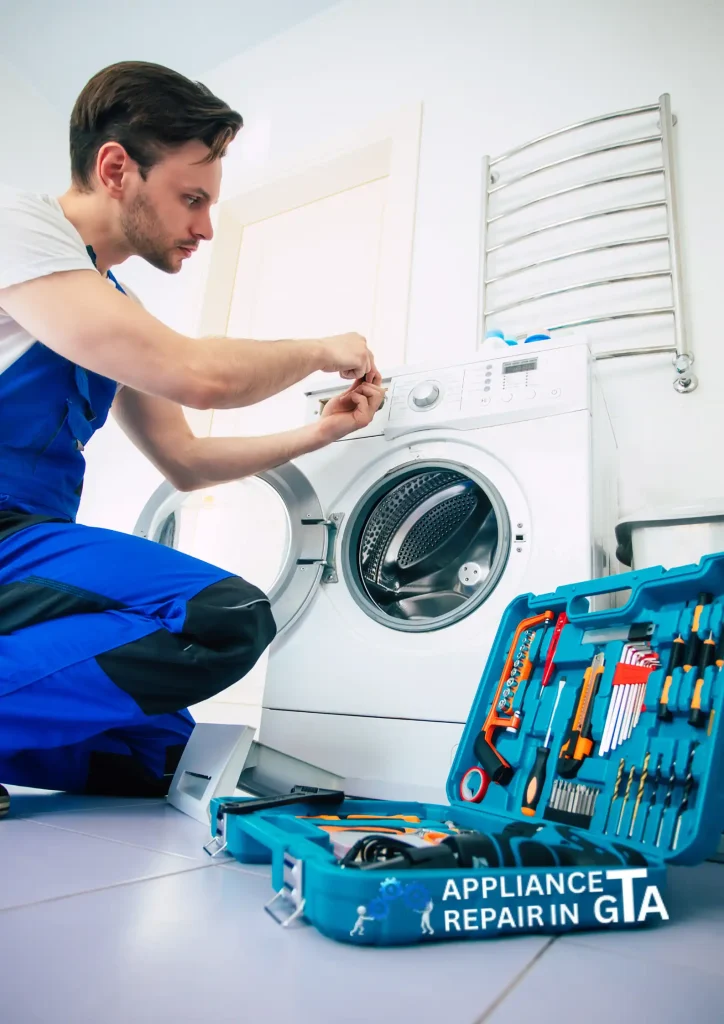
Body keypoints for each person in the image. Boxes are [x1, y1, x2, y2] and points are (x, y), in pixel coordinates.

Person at [0, 61, 385, 799]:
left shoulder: (108, 303)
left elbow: (185, 458)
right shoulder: (16, 230)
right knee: (227, 619)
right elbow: (198, 374)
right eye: (192, 199)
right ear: (116, 168)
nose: (205, 227)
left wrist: (319, 436)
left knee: (163, 756)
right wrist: (319, 349)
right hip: (7, 547)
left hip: (21, 556)